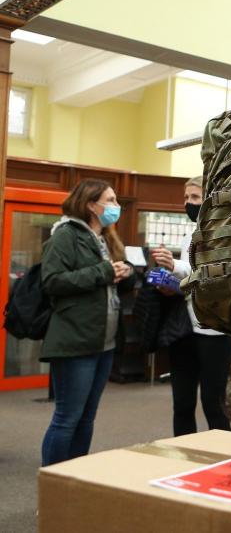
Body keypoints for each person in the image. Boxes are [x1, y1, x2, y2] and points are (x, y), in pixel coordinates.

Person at [40, 179, 134, 466]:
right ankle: (52, 488)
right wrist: (104, 272)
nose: (116, 206)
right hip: (74, 341)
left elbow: (105, 282)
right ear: (91, 204)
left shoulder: (105, 238)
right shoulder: (65, 234)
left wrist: (124, 275)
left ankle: (75, 484)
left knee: (86, 417)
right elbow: (53, 281)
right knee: (67, 419)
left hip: (102, 342)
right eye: (111, 200)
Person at [151, 176, 231, 436]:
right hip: (184, 328)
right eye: (186, 198)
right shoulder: (190, 234)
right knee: (182, 404)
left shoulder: (224, 233)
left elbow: (210, 273)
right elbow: (190, 274)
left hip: (214, 331)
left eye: (195, 198)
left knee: (214, 403)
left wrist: (175, 266)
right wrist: (169, 276)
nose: (189, 203)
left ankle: (221, 464)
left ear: (210, 198)